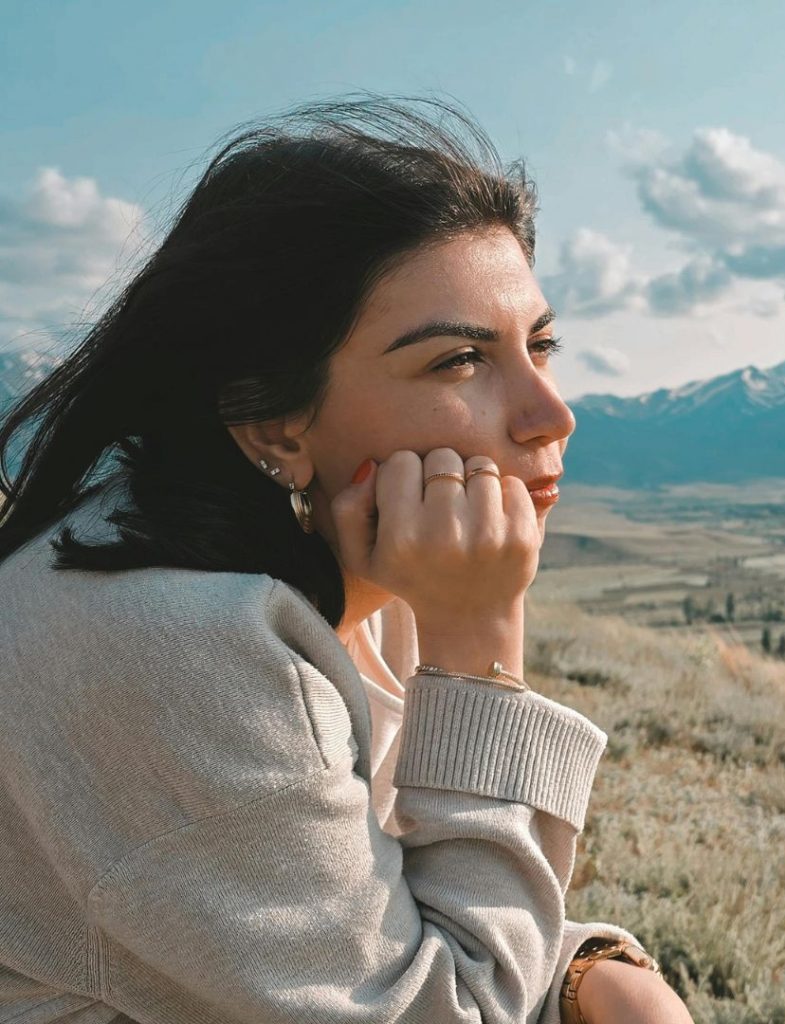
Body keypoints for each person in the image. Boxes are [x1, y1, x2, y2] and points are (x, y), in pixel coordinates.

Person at [0, 96, 693, 1024]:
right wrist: (481, 645)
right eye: (458, 361)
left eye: (541, 345)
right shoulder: (176, 650)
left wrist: (587, 969)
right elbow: (446, 1009)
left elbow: (357, 916)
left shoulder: (361, 560)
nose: (551, 414)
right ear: (272, 421)